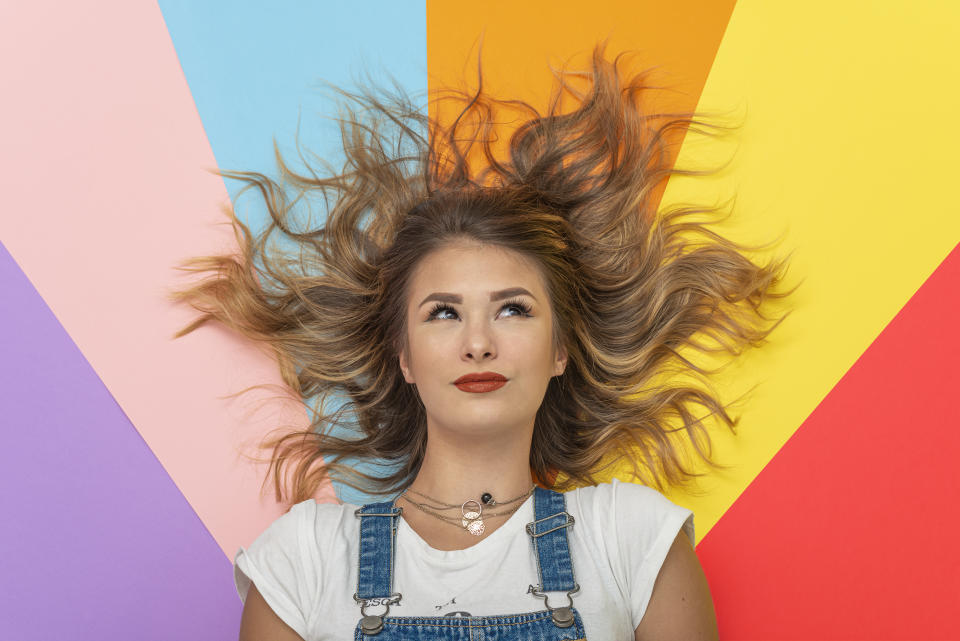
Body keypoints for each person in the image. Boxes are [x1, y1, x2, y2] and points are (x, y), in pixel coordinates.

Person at [172, 45, 791, 640]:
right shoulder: (302, 560)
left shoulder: (631, 538)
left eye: (513, 310)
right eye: (443, 313)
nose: (477, 344)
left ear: (560, 350)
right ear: (404, 356)